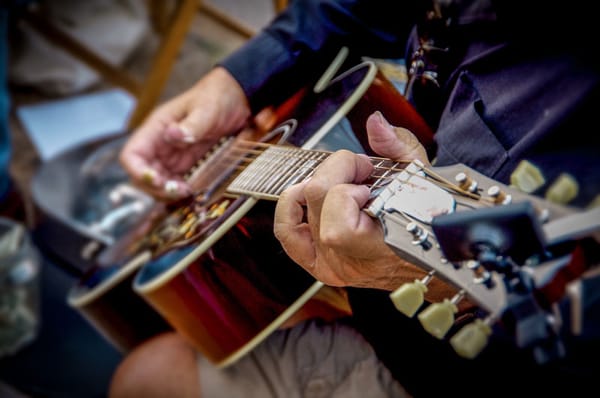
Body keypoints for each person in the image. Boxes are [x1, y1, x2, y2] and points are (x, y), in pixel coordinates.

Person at [111, 0, 600, 397]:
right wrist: (237, 82)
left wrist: (427, 275)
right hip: (374, 304)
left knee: (147, 375)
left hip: (462, 367)